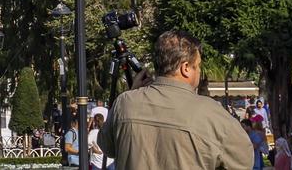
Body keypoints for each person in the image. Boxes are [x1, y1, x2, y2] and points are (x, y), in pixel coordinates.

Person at [102, 30, 251, 169]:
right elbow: (244, 161)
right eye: (197, 66)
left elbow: (107, 148)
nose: (199, 71)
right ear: (185, 68)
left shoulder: (125, 102)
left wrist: (133, 92)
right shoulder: (211, 113)